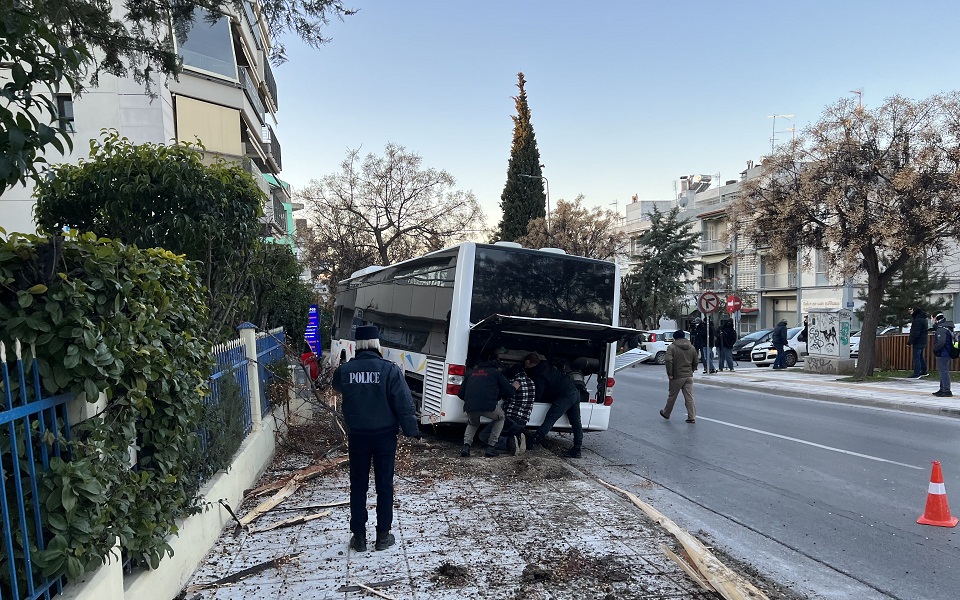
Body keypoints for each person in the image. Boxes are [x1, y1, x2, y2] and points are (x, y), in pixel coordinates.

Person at [332, 325, 420, 553]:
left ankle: (359, 538)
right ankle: (383, 536)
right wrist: (412, 431)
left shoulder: (345, 370)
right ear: (377, 344)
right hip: (385, 436)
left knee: (358, 486)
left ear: (357, 345)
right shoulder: (389, 370)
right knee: (384, 485)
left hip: (358, 436)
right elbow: (403, 402)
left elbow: (336, 386)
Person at [523, 353, 584, 458]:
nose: (525, 366)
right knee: (576, 422)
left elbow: (537, 395)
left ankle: (534, 441)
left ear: (531, 363)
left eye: (526, 364)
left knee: (551, 418)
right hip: (574, 391)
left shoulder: (539, 375)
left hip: (564, 396)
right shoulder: (545, 365)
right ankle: (577, 449)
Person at [458, 353, 517, 458]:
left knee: (472, 423)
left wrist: (472, 400)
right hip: (488, 405)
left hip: (470, 406)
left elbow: (460, 394)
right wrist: (514, 387)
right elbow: (509, 392)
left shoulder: (470, 373)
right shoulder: (496, 373)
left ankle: (466, 447)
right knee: (501, 418)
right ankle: (491, 447)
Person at [480, 369, 535, 455]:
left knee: (484, 435)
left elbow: (504, 394)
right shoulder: (532, 382)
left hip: (510, 419)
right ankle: (517, 439)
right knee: (502, 433)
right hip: (522, 423)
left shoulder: (513, 382)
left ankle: (510, 443)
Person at [659, 329, 699, 423]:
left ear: (675, 337)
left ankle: (666, 413)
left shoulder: (672, 347)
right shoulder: (691, 347)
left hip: (677, 376)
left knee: (672, 396)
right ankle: (692, 416)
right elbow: (696, 361)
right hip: (688, 375)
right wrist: (692, 370)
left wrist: (670, 374)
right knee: (689, 396)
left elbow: (668, 360)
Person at [931, 312, 954, 397]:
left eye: (932, 318)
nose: (932, 320)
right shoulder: (948, 327)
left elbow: (941, 342)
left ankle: (946, 390)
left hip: (943, 353)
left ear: (936, 318)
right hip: (947, 352)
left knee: (944, 372)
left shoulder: (941, 329)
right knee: (943, 371)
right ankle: (942, 389)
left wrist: (934, 349)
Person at [907, 307, 929, 379]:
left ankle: (917, 373)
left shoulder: (917, 320)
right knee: (920, 356)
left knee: (916, 357)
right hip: (923, 340)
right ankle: (923, 370)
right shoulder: (924, 319)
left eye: (912, 311)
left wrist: (910, 342)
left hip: (918, 341)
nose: (911, 312)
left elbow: (915, 332)